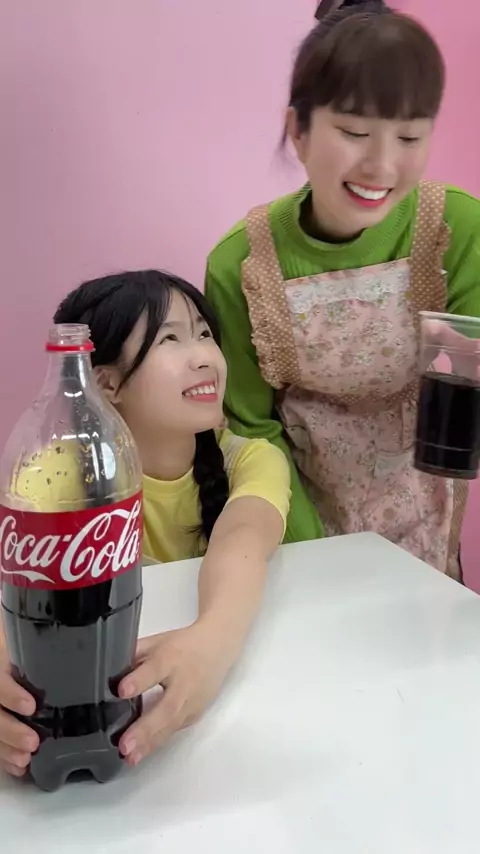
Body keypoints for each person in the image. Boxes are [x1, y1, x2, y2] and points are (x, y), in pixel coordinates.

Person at [205, 0, 480, 580]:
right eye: (354, 132)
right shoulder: (240, 264)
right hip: (299, 524)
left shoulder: (455, 228)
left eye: (409, 136)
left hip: (427, 522)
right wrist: (316, 554)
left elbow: (467, 383)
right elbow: (253, 429)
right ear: (298, 131)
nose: (381, 165)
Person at [0, 269, 290, 778]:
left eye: (204, 334)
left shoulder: (251, 459)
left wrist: (211, 643)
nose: (204, 357)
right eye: (170, 340)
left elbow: (242, 540)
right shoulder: (57, 470)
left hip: (215, 740)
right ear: (105, 383)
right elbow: (18, 582)